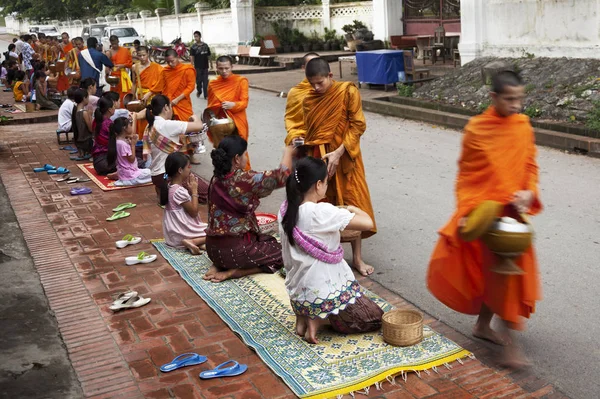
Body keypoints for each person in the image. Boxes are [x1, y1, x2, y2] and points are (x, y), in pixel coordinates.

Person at [427, 70, 542, 369]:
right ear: (493, 97)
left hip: (512, 218)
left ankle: (482, 326)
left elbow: (529, 165)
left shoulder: (523, 126)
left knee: (501, 275)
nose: (516, 105)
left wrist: (528, 193)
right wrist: (467, 211)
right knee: (502, 277)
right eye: (509, 99)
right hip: (485, 214)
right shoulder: (477, 129)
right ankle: (511, 348)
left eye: (520, 99)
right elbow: (467, 175)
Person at [279, 157, 383, 344]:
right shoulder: (319, 212)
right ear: (319, 184)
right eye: (327, 182)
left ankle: (306, 315)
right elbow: (367, 223)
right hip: (323, 292)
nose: (327, 186)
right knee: (375, 317)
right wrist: (352, 208)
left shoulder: (285, 209)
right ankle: (319, 319)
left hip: (299, 291)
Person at [299, 57, 377, 276]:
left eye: (320, 83)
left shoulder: (348, 92)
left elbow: (358, 124)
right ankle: (328, 254)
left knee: (353, 203)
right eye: (311, 83)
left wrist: (339, 152)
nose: (316, 88)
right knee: (325, 205)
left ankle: (358, 259)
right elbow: (310, 132)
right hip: (321, 159)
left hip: (347, 158)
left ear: (330, 76)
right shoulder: (308, 100)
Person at [202, 135, 293, 283]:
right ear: (237, 159)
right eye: (245, 154)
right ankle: (236, 272)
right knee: (284, 254)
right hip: (234, 253)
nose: (246, 157)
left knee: (269, 241)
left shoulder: (215, 179)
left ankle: (220, 265)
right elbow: (281, 177)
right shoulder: (245, 180)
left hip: (212, 250)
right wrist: (288, 151)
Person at [140, 95, 208, 199]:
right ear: (166, 107)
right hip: (166, 176)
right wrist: (194, 116)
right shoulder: (168, 125)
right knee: (205, 191)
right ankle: (170, 188)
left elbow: (171, 145)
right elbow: (199, 126)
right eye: (171, 107)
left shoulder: (149, 125)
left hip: (156, 176)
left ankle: (162, 189)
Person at [207, 56, 250, 168]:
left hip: (237, 121)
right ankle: (224, 175)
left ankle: (244, 175)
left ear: (232, 67)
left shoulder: (241, 81)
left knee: (239, 150)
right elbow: (210, 106)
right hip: (220, 124)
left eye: (227, 68)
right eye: (221, 68)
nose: (224, 71)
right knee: (222, 151)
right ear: (217, 67)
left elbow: (244, 102)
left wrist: (233, 105)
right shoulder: (213, 83)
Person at [160, 152, 208, 254]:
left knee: (211, 233)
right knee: (217, 233)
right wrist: (195, 191)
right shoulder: (179, 191)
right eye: (188, 166)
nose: (190, 169)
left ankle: (200, 244)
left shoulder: (169, 186)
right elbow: (194, 212)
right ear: (180, 170)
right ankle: (193, 241)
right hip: (181, 235)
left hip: (173, 237)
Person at [284, 52, 319, 144]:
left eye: (319, 63)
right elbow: (290, 118)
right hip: (302, 139)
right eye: (311, 64)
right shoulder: (295, 92)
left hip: (326, 138)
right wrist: (294, 135)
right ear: (304, 68)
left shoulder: (332, 89)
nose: (316, 67)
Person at [107, 117, 152, 187]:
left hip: (126, 172)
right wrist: (133, 145)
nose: (131, 127)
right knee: (153, 173)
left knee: (147, 171)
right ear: (124, 128)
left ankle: (118, 174)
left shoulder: (117, 141)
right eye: (130, 125)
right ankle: (166, 177)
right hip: (131, 176)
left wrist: (130, 142)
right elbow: (131, 160)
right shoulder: (122, 144)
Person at [131, 46, 163, 139]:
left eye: (144, 55)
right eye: (139, 56)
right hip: (141, 96)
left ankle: (155, 139)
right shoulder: (134, 67)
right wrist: (133, 97)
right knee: (142, 120)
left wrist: (150, 93)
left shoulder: (157, 67)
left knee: (154, 119)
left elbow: (160, 83)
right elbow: (134, 83)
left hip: (153, 96)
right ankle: (143, 139)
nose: (142, 58)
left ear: (148, 54)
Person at [161, 49, 196, 121]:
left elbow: (191, 87)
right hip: (169, 103)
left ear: (178, 57)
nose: (170, 64)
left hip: (182, 101)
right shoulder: (165, 71)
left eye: (172, 61)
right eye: (167, 62)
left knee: (186, 123)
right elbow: (163, 87)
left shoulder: (187, 69)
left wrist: (177, 99)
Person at [92, 96, 117, 175]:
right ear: (109, 109)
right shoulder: (108, 124)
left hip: (97, 162)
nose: (115, 107)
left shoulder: (97, 120)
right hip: (105, 162)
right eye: (113, 106)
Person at [107, 35, 133, 103]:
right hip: (114, 77)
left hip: (123, 75)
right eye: (113, 44)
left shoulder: (125, 50)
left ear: (118, 41)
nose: (114, 45)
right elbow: (107, 65)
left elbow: (130, 63)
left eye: (116, 43)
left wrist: (123, 65)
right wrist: (107, 75)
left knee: (125, 94)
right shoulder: (109, 52)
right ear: (110, 43)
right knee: (114, 95)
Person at [71, 88, 94, 160]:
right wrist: (90, 115)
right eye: (87, 98)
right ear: (84, 98)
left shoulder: (75, 110)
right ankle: (87, 152)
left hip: (78, 141)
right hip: (86, 141)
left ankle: (82, 153)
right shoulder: (84, 113)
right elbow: (90, 129)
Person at [190, 31, 211, 99]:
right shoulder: (193, 47)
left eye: (197, 36)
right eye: (195, 36)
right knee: (198, 81)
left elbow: (209, 55)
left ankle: (206, 95)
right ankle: (199, 91)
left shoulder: (205, 45)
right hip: (197, 67)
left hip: (205, 66)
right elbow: (192, 56)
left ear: (200, 36)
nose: (195, 38)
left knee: (205, 82)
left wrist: (211, 63)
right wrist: (191, 64)